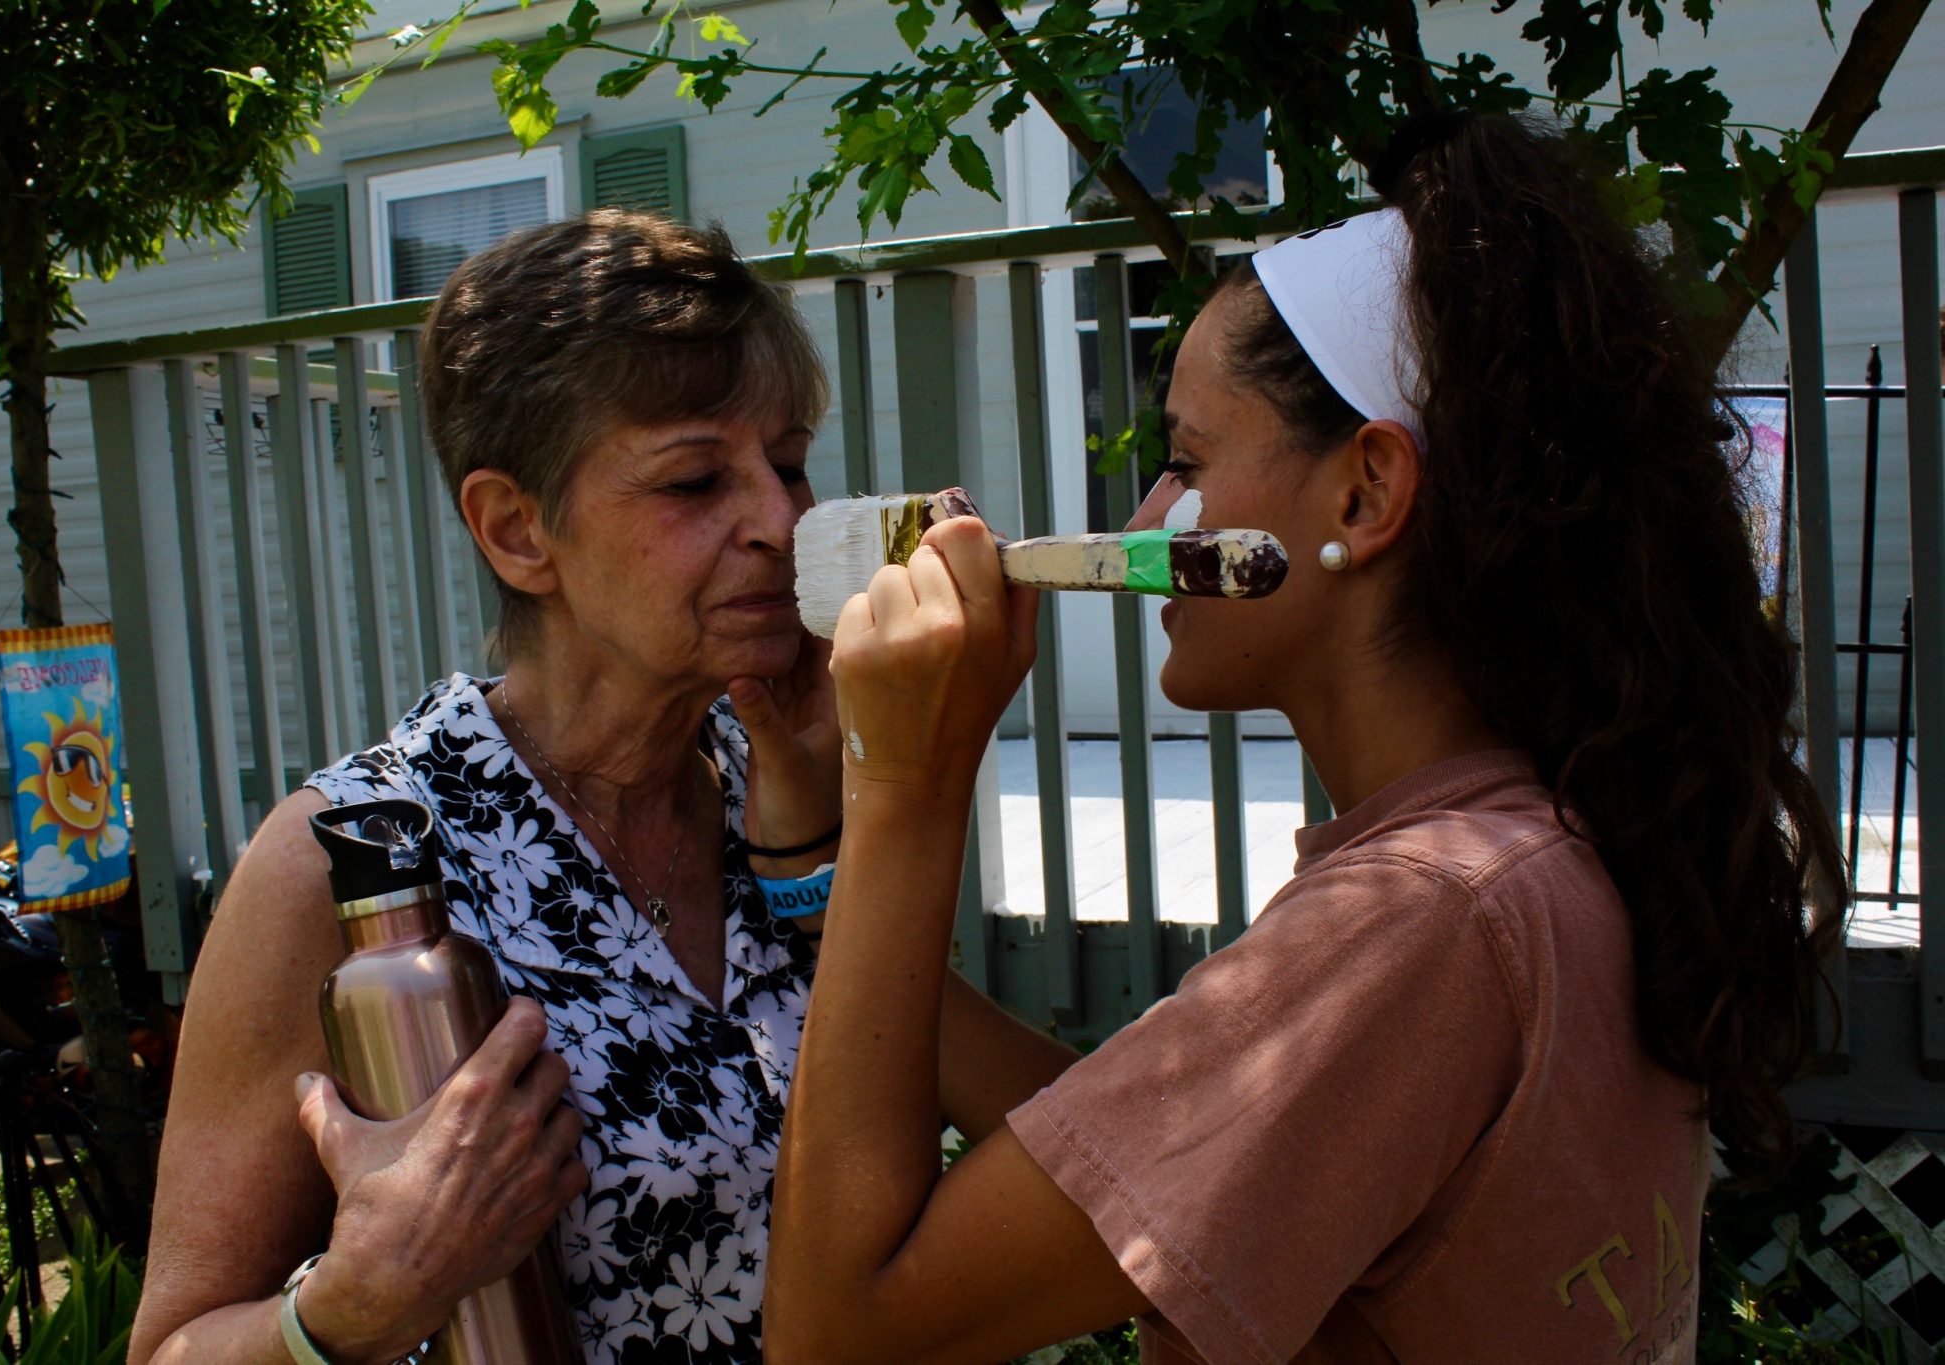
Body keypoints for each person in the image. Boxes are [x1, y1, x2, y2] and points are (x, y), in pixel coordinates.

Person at [762, 112, 1845, 1364]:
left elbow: (837, 1334)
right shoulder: (1531, 845)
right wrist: (809, 885)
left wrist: (906, 781)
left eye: (1186, 457)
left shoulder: (1425, 920)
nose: (1151, 512)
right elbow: (1137, 1155)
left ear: (1364, 493)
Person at [129, 210, 847, 1365]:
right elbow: (169, 1349)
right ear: (517, 530)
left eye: (790, 461)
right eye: (696, 479)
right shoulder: (351, 867)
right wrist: (349, 1308)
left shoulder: (780, 788)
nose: (781, 521)